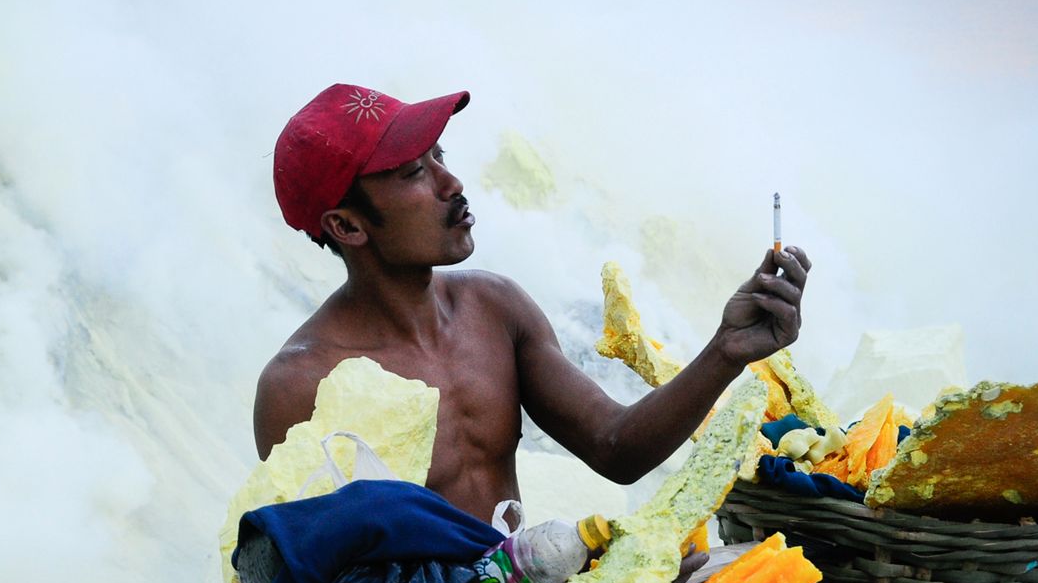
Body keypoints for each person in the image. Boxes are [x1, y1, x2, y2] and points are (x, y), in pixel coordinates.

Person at [256, 83, 813, 522]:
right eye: (414, 173)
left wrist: (726, 350)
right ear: (347, 225)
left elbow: (616, 448)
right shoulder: (301, 385)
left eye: (440, 156)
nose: (452, 184)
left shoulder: (494, 310)